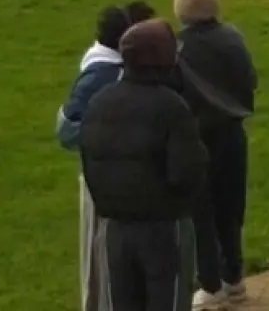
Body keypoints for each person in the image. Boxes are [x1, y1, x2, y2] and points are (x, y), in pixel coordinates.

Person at [81, 20, 206, 311]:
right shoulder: (171, 107)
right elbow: (186, 172)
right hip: (164, 227)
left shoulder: (99, 102)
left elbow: (89, 164)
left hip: (115, 228)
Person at [60, 2, 158, 310]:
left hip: (119, 181)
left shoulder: (108, 69)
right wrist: (109, 142)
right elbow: (67, 130)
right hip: (103, 182)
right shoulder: (101, 74)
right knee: (104, 261)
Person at [172, 0, 256, 310]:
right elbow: (250, 80)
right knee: (231, 208)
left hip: (197, 138)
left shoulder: (178, 49)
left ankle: (210, 283)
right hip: (233, 133)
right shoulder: (233, 39)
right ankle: (233, 276)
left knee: (202, 212)